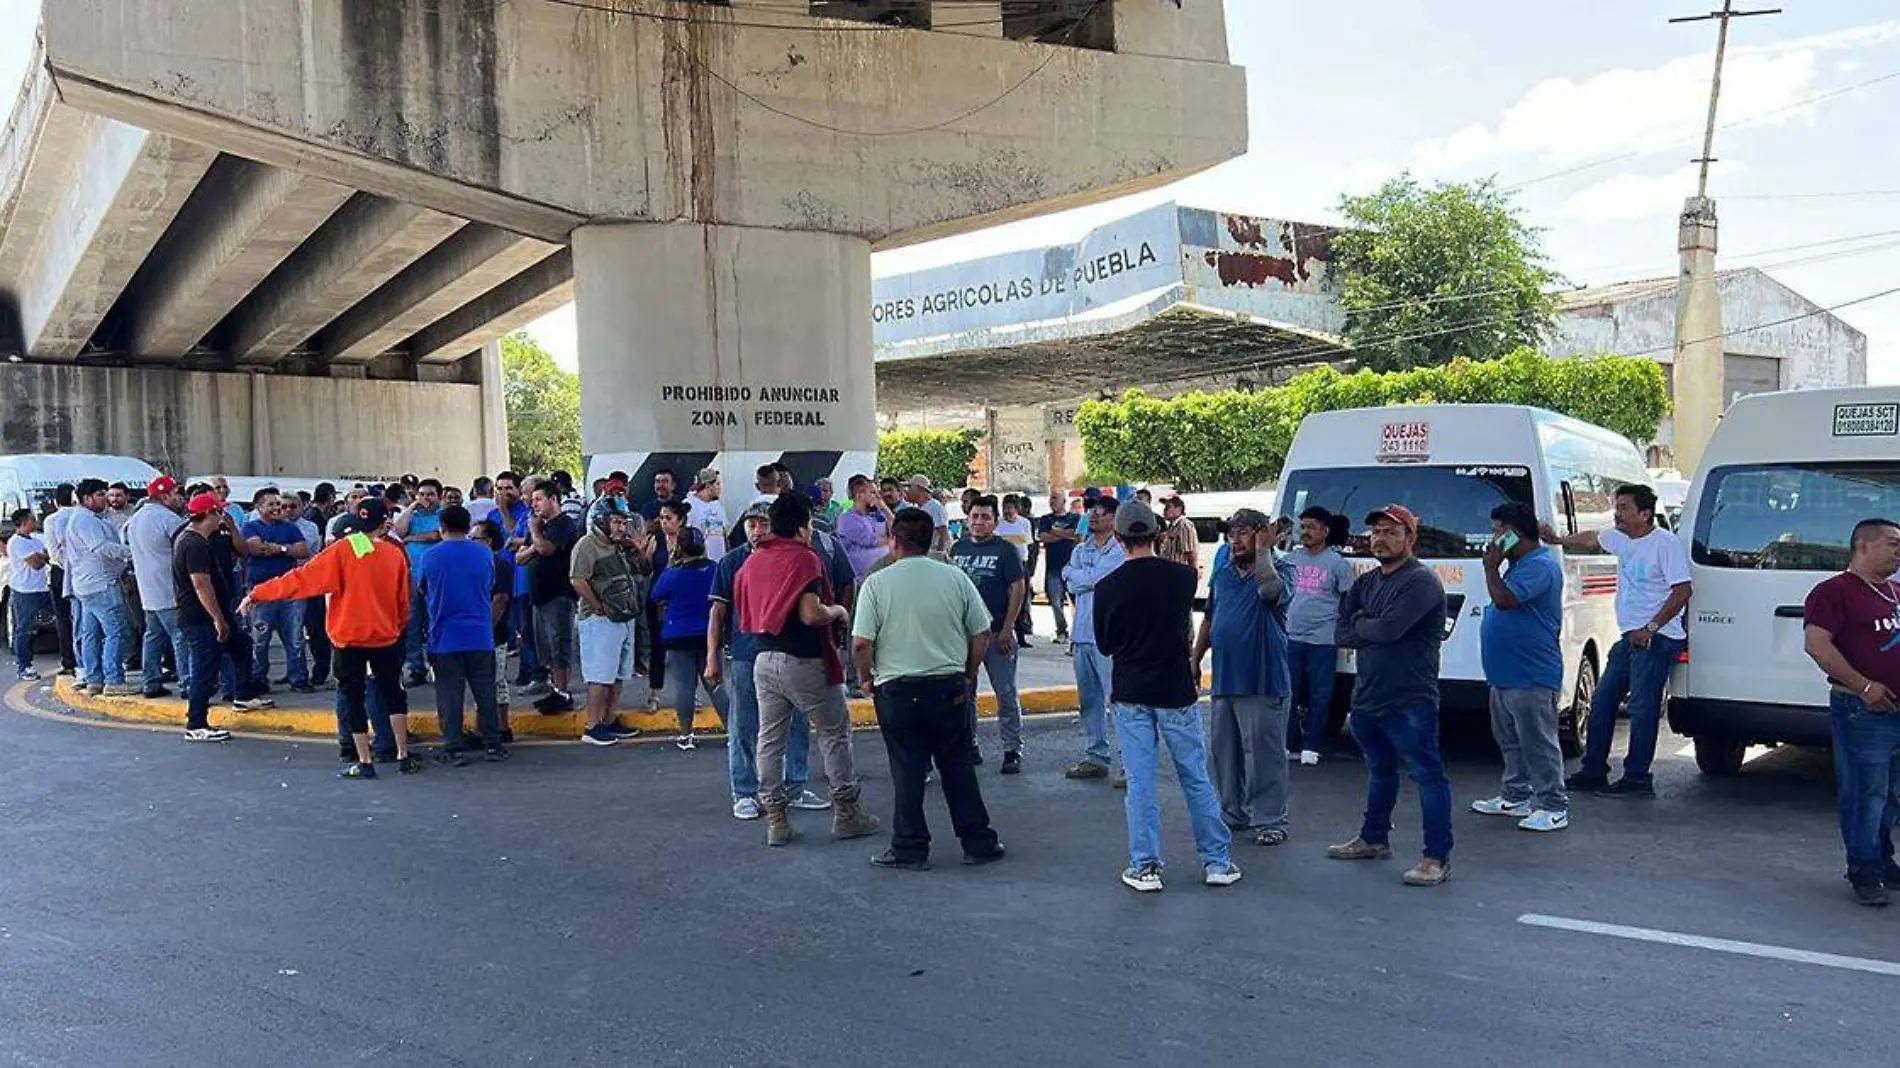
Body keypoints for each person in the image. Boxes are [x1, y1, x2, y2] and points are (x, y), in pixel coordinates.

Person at [1092, 499, 1241, 892]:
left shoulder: (1107, 587)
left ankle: (1145, 867)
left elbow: (1105, 644)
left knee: (1140, 784)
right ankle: (1217, 862)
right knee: (1195, 777)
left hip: (1130, 691)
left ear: (1119, 537)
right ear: (1157, 533)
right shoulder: (1182, 578)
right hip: (1174, 688)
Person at [852, 509, 1005, 871]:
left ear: (895, 541)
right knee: (957, 765)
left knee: (906, 769)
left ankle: (909, 846)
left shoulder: (877, 583)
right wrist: (967, 673)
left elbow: (861, 643)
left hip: (897, 689)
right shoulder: (955, 578)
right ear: (931, 541)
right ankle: (977, 841)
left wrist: (864, 678)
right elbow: (981, 631)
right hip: (948, 685)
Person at [733, 492, 879, 847]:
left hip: (763, 659)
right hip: (805, 659)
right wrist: (839, 613)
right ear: (802, 526)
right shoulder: (804, 559)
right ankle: (846, 812)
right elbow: (811, 614)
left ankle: (777, 821)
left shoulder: (752, 562)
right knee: (833, 733)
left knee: (770, 738)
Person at [243, 498, 422, 778]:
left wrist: (257, 594)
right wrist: (397, 627)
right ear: (384, 522)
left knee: (352, 698)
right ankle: (403, 755)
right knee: (393, 695)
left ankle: (364, 762)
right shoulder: (394, 554)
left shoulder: (342, 551)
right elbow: (403, 602)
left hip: (349, 637)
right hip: (385, 636)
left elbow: (299, 580)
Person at [1326, 505, 1454, 888]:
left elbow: (1389, 631)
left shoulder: (1421, 583)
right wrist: (1367, 624)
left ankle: (1436, 857)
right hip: (1367, 697)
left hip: (1410, 697)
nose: (1380, 538)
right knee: (1380, 770)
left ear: (1410, 539)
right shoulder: (1367, 582)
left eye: (1391, 532)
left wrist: (1363, 623)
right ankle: (1373, 838)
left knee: (1428, 776)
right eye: (1377, 531)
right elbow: (1340, 631)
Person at [1544, 484, 1693, 800]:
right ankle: (1593, 771)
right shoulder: (1621, 537)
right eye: (1617, 506)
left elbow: (1682, 590)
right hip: (1631, 638)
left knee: (1642, 706)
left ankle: (1638, 778)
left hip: (1657, 639)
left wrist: (1651, 628)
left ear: (1645, 513)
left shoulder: (1664, 544)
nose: (1618, 513)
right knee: (1603, 700)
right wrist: (1557, 540)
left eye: (1625, 507)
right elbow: (1590, 538)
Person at [707, 501, 828, 821]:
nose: (756, 531)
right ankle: (744, 791)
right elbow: (717, 613)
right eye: (751, 525)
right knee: (743, 724)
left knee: (796, 722)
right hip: (747, 654)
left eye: (762, 524)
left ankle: (795, 786)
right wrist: (712, 658)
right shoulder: (733, 562)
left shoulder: (794, 559)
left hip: (790, 652)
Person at [1802, 518, 1900, 906]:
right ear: (1863, 546)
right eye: (1892, 543)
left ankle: (1881, 858)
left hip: (1894, 708)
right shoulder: (1833, 592)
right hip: (1862, 710)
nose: (1899, 550)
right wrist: (1864, 686)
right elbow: (1817, 646)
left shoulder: (1893, 592)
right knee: (1866, 792)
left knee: (1890, 793)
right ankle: (1863, 868)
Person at [1192, 508, 1294, 846]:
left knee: (1264, 754)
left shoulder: (1281, 568)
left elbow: (1270, 593)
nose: (1234, 539)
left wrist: (1265, 551)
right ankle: (1233, 813)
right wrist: (1195, 658)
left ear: (1262, 534)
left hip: (1263, 680)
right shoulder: (1222, 574)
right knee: (1225, 753)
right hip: (1225, 679)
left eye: (1243, 532)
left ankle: (1270, 819)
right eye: (1231, 533)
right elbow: (1210, 619)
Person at [1469, 502, 1570, 833]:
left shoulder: (1539, 566)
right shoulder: (1517, 564)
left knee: (1538, 742)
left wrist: (1490, 569)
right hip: (1505, 672)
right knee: (1510, 740)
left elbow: (1506, 600)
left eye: (1500, 531)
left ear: (1516, 533)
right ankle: (1515, 795)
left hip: (1532, 673)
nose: (1494, 539)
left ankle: (1553, 805)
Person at [414, 505, 509, 763]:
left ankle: (453, 746)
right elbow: (489, 586)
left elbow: (422, 589)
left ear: (442, 526)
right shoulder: (483, 553)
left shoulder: (430, 556)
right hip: (480, 634)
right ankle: (493, 743)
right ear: (468, 527)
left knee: (449, 694)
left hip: (444, 635)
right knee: (485, 691)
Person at [949, 495, 1028, 773]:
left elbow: (1017, 589)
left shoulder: (1006, 550)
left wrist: (1008, 628)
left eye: (985, 517)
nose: (979, 522)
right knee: (964, 692)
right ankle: (969, 744)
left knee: (1005, 692)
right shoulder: (957, 549)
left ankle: (1011, 749)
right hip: (963, 636)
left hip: (996, 634)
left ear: (995, 521)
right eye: (974, 517)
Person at [569, 497, 646, 746]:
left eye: (623, 522)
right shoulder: (586, 546)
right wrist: (598, 605)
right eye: (616, 522)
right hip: (599, 619)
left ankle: (609, 719)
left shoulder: (620, 546)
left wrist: (637, 548)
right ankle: (592, 725)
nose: (621, 527)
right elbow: (578, 579)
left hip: (622, 616)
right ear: (601, 521)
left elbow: (642, 570)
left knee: (618, 673)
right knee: (600, 675)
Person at [1286, 507, 1357, 764]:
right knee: (1289, 692)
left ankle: (1312, 745)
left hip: (1324, 640)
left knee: (1320, 693)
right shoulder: (1291, 558)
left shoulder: (1337, 564)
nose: (1305, 532)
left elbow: (1349, 599)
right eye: (1302, 527)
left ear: (1325, 532)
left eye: (1311, 528)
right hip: (1292, 636)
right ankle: (1290, 743)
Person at [1062, 495, 1125, 782]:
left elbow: (1100, 579)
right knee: (1089, 700)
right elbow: (1068, 577)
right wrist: (1082, 578)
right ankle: (1095, 755)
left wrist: (1080, 578)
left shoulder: (1119, 551)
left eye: (1100, 512)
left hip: (1108, 636)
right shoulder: (1080, 549)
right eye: (1092, 512)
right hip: (1082, 634)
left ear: (1114, 518)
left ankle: (1128, 762)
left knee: (1118, 699)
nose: (1094, 516)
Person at [650, 527, 728, 750]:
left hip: (678, 634)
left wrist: (670, 564)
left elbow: (656, 595)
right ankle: (732, 730)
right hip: (709, 634)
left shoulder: (674, 573)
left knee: (684, 687)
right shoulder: (714, 569)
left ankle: (686, 735)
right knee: (716, 685)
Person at [172, 493, 241, 743]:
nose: (221, 518)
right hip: (200, 618)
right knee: (204, 670)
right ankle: (196, 723)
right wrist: (217, 618)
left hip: (202, 617)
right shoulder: (195, 544)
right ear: (209, 514)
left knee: (240, 646)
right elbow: (201, 584)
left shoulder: (192, 539)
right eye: (218, 513)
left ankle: (243, 694)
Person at [65, 478, 136, 696]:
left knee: (91, 634)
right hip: (101, 584)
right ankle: (113, 679)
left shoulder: (88, 518)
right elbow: (101, 547)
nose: (105, 498)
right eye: (99, 494)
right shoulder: (85, 520)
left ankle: (95, 679)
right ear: (86, 498)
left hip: (89, 584)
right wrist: (131, 552)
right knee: (117, 632)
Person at [242, 491, 314, 693]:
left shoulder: (290, 528)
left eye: (279, 504)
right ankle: (258, 679)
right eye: (271, 504)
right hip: (261, 589)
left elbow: (303, 551)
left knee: (295, 636)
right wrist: (284, 549)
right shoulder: (250, 527)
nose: (277, 508)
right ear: (258, 507)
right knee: (259, 637)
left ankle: (298, 678)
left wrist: (279, 549)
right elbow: (255, 548)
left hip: (291, 589)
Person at [521, 483, 582, 713]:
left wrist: (535, 534)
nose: (534, 504)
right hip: (539, 595)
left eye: (538, 499)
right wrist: (533, 546)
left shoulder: (562, 524)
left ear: (553, 499)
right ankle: (553, 690)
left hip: (558, 594)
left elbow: (546, 549)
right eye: (533, 500)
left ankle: (563, 692)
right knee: (544, 646)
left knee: (559, 645)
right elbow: (520, 556)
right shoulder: (539, 525)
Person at [124, 476, 186, 698]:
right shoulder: (169, 519)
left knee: (153, 637)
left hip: (148, 591)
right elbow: (184, 552)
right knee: (180, 637)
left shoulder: (135, 519)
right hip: (170, 590)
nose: (181, 499)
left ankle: (150, 681)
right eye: (177, 494)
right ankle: (188, 683)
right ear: (165, 495)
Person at [394, 478, 445, 686]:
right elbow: (398, 532)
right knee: (412, 623)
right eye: (422, 494)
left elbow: (437, 535)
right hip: (412, 578)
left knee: (436, 621)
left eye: (430, 494)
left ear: (439, 496)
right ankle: (416, 667)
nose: (426, 499)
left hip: (436, 579)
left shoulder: (444, 515)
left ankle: (439, 664)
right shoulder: (412, 515)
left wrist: (412, 539)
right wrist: (411, 507)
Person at [474, 518, 517, 746]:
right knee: (493, 681)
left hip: (493, 634)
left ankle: (497, 727)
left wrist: (486, 629)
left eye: (475, 538)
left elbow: (500, 599)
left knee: (493, 680)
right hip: (487, 632)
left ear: (488, 541)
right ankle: (491, 726)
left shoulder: (498, 565)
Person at [7, 509, 50, 681]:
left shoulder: (35, 540)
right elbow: (36, 564)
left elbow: (47, 555)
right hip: (25, 592)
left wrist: (42, 556)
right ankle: (24, 666)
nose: (36, 521)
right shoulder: (16, 542)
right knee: (24, 630)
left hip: (42, 588)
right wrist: (42, 556)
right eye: (33, 519)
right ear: (24, 522)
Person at [43, 483, 79, 674]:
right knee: (84, 617)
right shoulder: (82, 516)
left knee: (64, 619)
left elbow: (53, 552)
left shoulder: (51, 520)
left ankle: (69, 661)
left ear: (56, 501)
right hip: (82, 571)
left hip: (61, 572)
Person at [1036, 491, 1081, 644]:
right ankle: (1061, 631)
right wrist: (1065, 535)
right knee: (1056, 602)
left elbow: (1076, 534)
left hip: (1072, 567)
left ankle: (1078, 633)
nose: (1052, 501)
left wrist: (1054, 532)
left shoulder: (1074, 518)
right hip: (1053, 567)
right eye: (1051, 498)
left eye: (1055, 498)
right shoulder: (1045, 519)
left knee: (1076, 603)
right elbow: (1042, 536)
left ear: (1064, 501)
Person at [837, 474, 892, 582]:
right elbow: (874, 541)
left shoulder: (871, 517)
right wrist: (890, 541)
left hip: (875, 568)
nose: (878, 497)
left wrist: (885, 509)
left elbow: (896, 532)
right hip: (860, 573)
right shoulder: (847, 519)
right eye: (872, 493)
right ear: (860, 495)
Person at [899, 475, 951, 554]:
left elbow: (944, 534)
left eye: (910, 487)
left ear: (919, 489)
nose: (907, 490)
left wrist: (941, 554)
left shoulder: (935, 507)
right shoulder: (918, 508)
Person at [687, 467, 729, 561]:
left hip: (719, 563)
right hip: (701, 564)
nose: (720, 488)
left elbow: (724, 534)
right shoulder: (689, 505)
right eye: (717, 484)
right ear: (708, 486)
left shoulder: (717, 505)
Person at [1155, 493, 1198, 572]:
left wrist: (1192, 573)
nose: (1164, 510)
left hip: (1179, 572)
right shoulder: (1172, 526)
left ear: (1178, 509)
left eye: (1168, 507)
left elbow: (1191, 553)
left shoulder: (1184, 525)